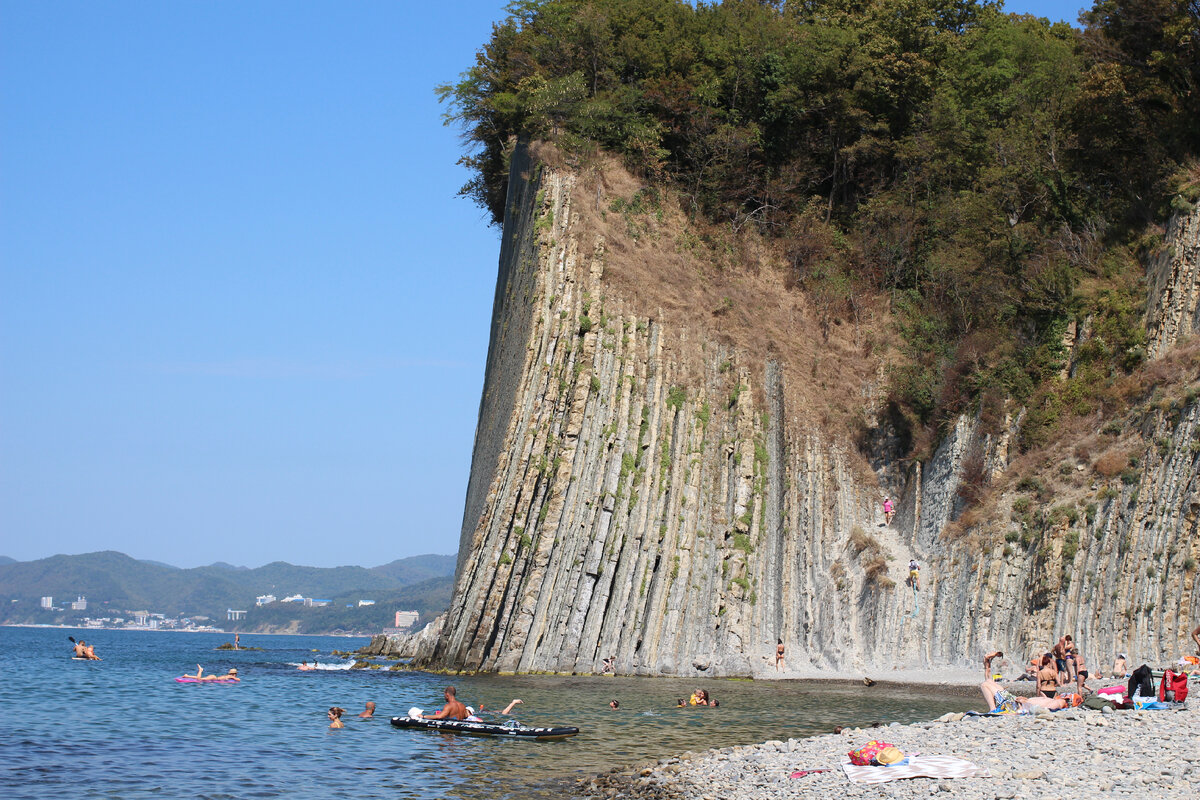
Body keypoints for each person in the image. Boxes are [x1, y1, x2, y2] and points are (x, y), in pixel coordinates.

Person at [980, 680, 1081, 713]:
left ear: (1068, 699)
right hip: (1015, 701)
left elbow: (1041, 709)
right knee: (989, 681)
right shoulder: (1056, 701)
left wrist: (1024, 701)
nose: (1063, 694)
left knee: (985, 685)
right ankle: (993, 708)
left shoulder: (1057, 703)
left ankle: (992, 710)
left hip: (1013, 705)